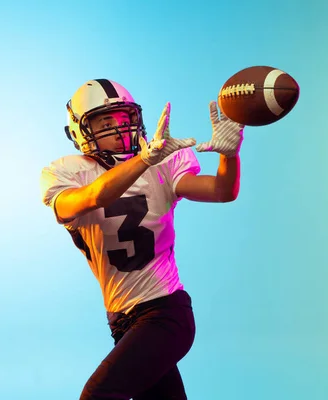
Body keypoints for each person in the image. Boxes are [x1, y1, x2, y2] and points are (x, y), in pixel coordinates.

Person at [40, 78, 244, 400]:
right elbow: (94, 196)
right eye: (105, 122)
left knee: (98, 395)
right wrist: (144, 160)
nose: (119, 128)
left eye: (123, 119)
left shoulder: (160, 160)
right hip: (122, 322)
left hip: (165, 312)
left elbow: (222, 191)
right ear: (81, 131)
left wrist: (229, 157)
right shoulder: (67, 173)